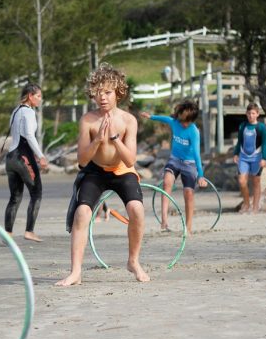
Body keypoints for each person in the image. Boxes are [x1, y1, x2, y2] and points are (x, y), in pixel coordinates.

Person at [56, 63, 149, 286]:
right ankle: (75, 271)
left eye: (107, 92)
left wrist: (115, 139)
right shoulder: (88, 120)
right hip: (95, 171)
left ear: (118, 93)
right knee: (82, 213)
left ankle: (133, 261)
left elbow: (130, 160)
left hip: (122, 170)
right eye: (98, 92)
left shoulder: (129, 121)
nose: (102, 97)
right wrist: (98, 139)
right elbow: (82, 160)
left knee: (137, 209)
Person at [140, 99, 207, 235]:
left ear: (192, 120)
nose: (183, 124)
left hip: (189, 164)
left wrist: (200, 175)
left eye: (187, 122)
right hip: (174, 160)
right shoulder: (175, 122)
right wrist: (150, 116)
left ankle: (188, 228)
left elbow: (196, 154)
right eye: (182, 120)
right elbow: (164, 119)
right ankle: (164, 222)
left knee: (188, 193)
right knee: (166, 183)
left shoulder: (194, 132)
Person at [3, 83, 48, 242]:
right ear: (30, 96)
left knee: (15, 197)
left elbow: (17, 134)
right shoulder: (28, 112)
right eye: (38, 96)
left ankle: (7, 234)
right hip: (23, 157)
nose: (40, 100)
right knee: (37, 193)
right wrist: (40, 156)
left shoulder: (15, 111)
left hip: (10, 158)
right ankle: (29, 231)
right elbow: (29, 134)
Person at [233, 102, 266, 213]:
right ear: (246, 114)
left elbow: (265, 143)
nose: (251, 116)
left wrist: (264, 158)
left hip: (256, 157)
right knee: (242, 181)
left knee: (256, 182)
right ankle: (247, 203)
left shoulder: (261, 127)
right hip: (243, 157)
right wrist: (236, 153)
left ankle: (255, 207)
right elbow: (239, 141)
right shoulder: (242, 126)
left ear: (257, 114)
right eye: (249, 113)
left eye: (253, 113)